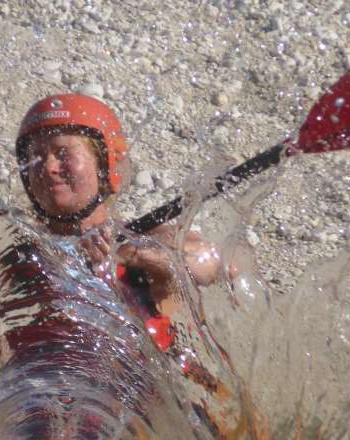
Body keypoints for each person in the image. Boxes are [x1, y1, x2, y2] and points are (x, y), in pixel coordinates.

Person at [14, 93, 222, 327]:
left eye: (63, 154)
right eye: (37, 157)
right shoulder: (14, 254)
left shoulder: (148, 240)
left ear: (103, 165)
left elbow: (212, 265)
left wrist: (130, 254)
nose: (49, 167)